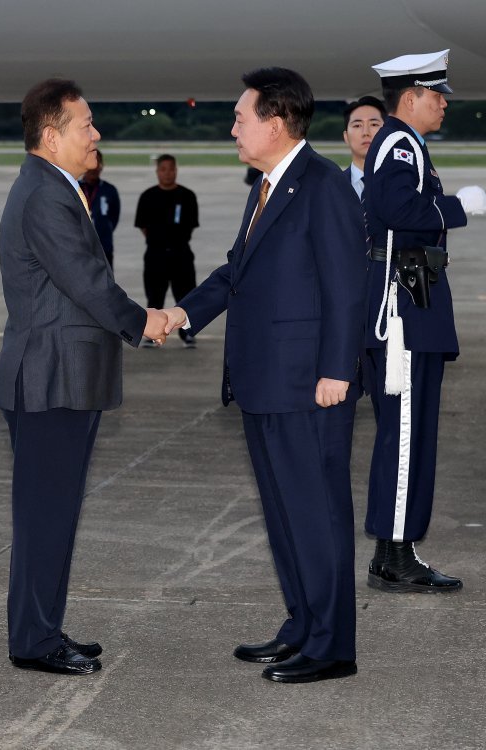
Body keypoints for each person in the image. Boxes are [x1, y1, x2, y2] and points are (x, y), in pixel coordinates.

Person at [162, 67, 367, 683]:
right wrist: (180, 312)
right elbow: (235, 271)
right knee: (283, 514)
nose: (233, 129)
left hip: (308, 385)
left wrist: (337, 370)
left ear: (275, 124)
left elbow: (347, 287)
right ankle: (303, 625)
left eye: (240, 118)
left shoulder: (324, 187)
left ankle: (333, 647)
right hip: (264, 382)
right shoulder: (269, 186)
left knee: (317, 515)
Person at [0, 78, 167, 676]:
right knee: (46, 516)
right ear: (51, 135)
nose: (97, 134)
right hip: (51, 381)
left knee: (53, 515)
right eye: (86, 124)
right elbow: (88, 285)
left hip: (61, 378)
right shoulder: (46, 196)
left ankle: (40, 629)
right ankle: (35, 642)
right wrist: (144, 322)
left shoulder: (53, 187)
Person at [361, 50, 486, 594]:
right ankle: (394, 554)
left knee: (409, 433)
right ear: (410, 96)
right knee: (407, 435)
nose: (443, 104)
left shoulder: (406, 143)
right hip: (404, 311)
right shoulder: (399, 143)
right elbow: (398, 211)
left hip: (414, 303)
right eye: (437, 95)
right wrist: (459, 207)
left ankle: (399, 548)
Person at [135, 154, 200, 347]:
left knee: (186, 296)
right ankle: (152, 333)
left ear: (176, 170)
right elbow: (144, 227)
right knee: (155, 295)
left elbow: (190, 226)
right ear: (157, 172)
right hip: (156, 255)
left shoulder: (187, 196)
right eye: (163, 169)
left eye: (171, 169)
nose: (167, 173)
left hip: (181, 255)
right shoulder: (148, 196)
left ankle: (188, 333)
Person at [79, 148, 121, 267]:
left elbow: (114, 217)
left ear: (102, 166)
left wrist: (105, 228)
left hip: (104, 248)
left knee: (105, 283)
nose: (94, 167)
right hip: (79, 250)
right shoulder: (74, 189)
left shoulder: (109, 190)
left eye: (97, 163)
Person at [342, 95, 386, 200]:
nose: (366, 133)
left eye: (374, 124)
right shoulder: (330, 186)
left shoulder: (406, 183)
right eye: (357, 125)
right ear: (346, 136)